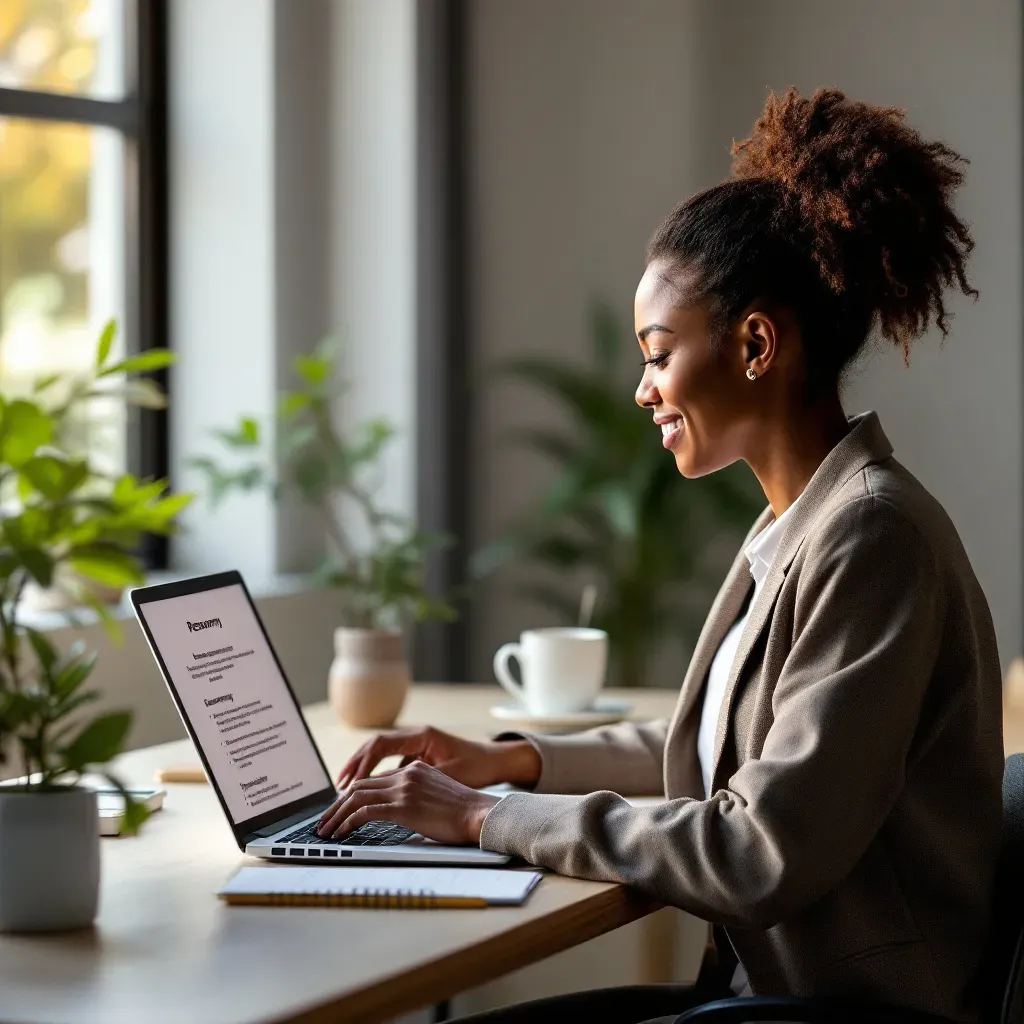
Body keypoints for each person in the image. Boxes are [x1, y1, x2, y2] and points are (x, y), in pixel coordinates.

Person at [317, 87, 1003, 1024]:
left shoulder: (871, 535)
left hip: (849, 1010)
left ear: (757, 344)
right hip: (771, 995)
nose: (643, 389)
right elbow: (719, 747)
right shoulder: (799, 521)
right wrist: (506, 763)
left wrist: (482, 819)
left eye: (658, 352)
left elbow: (758, 846)